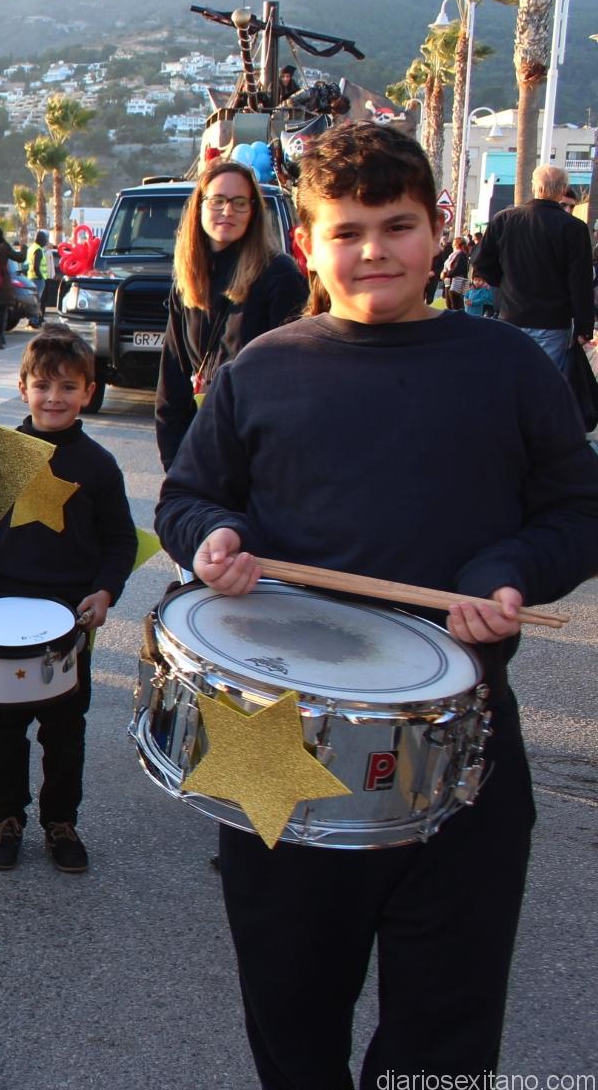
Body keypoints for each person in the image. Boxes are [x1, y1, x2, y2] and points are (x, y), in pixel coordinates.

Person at [156, 122, 598, 1090]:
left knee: (446, 1040)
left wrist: (511, 567)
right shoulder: (263, 368)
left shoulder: (510, 366)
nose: (374, 252)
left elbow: (578, 511)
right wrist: (212, 536)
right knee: (291, 1018)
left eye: (396, 226)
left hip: (465, 743)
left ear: (437, 228)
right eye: (347, 232)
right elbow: (188, 496)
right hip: (276, 739)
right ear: (307, 244)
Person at [0, 327, 135, 874]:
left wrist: (106, 590)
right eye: (43, 385)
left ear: (89, 391)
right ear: (22, 387)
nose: (54, 397)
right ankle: (6, 817)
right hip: (2, 617)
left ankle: (61, 821)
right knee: (4, 728)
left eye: (68, 386)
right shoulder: (0, 455)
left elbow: (120, 540)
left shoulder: (99, 465)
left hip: (69, 619)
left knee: (65, 729)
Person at [154, 160, 308, 470]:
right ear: (199, 206)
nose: (228, 211)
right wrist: (175, 464)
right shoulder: (189, 280)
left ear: (253, 211)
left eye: (239, 203)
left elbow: (292, 379)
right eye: (218, 201)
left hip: (256, 452)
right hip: (199, 450)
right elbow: (172, 382)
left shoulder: (279, 275)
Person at [473, 163, 594, 374]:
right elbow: (580, 281)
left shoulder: (505, 219)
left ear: (534, 186)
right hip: (553, 321)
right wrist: (584, 326)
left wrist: (505, 283)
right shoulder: (574, 229)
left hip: (512, 314)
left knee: (512, 378)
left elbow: (482, 262)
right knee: (546, 380)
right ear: (562, 190)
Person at [441, 236, 471, 311]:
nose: (452, 244)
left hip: (457, 281)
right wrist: (444, 273)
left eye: (454, 242)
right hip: (448, 281)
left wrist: (445, 274)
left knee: (456, 304)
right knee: (449, 303)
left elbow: (457, 269)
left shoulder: (461, 254)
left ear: (457, 244)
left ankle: (458, 318)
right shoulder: (453, 254)